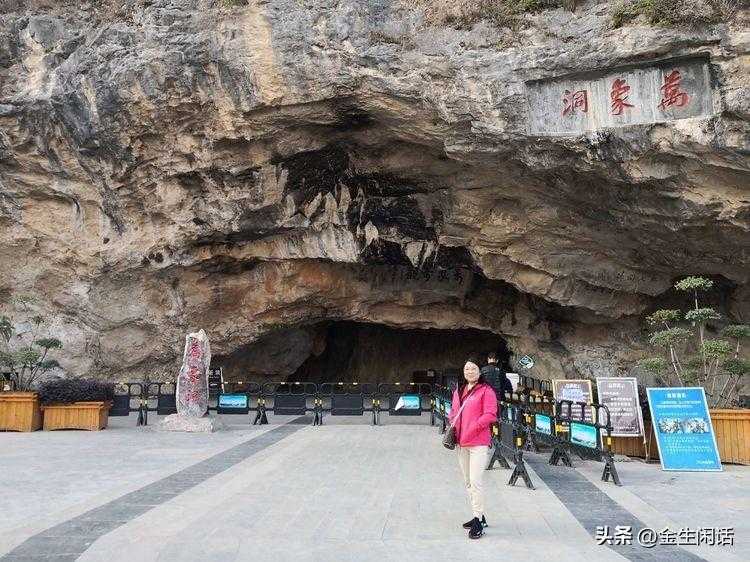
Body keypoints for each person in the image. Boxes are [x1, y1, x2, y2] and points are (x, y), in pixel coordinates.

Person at [448, 356, 498, 539]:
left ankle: (478, 520)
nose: (469, 371)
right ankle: (479, 515)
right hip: (461, 443)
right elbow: (454, 411)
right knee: (468, 481)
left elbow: (491, 414)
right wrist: (452, 421)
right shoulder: (459, 390)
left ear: (479, 371)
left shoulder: (486, 390)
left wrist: (474, 426)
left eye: (473, 368)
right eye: (467, 369)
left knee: (476, 482)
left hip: (478, 443)